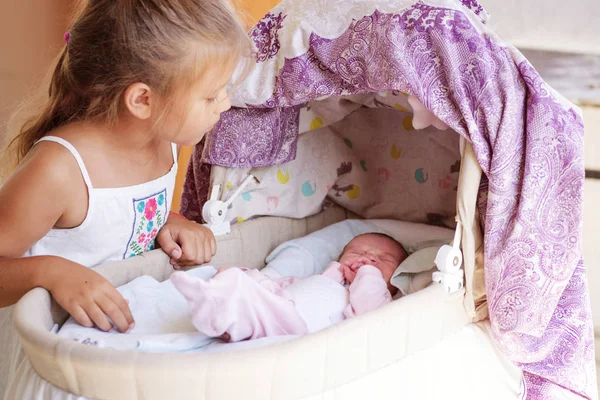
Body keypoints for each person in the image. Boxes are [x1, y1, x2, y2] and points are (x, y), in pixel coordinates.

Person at [0, 0, 250, 334]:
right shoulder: (60, 170)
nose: (226, 103)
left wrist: (169, 224)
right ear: (143, 100)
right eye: (210, 96)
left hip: (112, 342)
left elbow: (117, 227)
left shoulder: (165, 139)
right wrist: (52, 273)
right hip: (42, 349)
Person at [171, 233, 408, 342]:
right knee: (247, 287)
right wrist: (250, 277)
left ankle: (219, 312)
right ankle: (220, 303)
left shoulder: (381, 301)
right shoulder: (316, 280)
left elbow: (370, 313)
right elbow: (277, 287)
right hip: (282, 306)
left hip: (300, 326)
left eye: (382, 260)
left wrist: (368, 274)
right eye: (358, 252)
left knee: (261, 313)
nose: (368, 258)